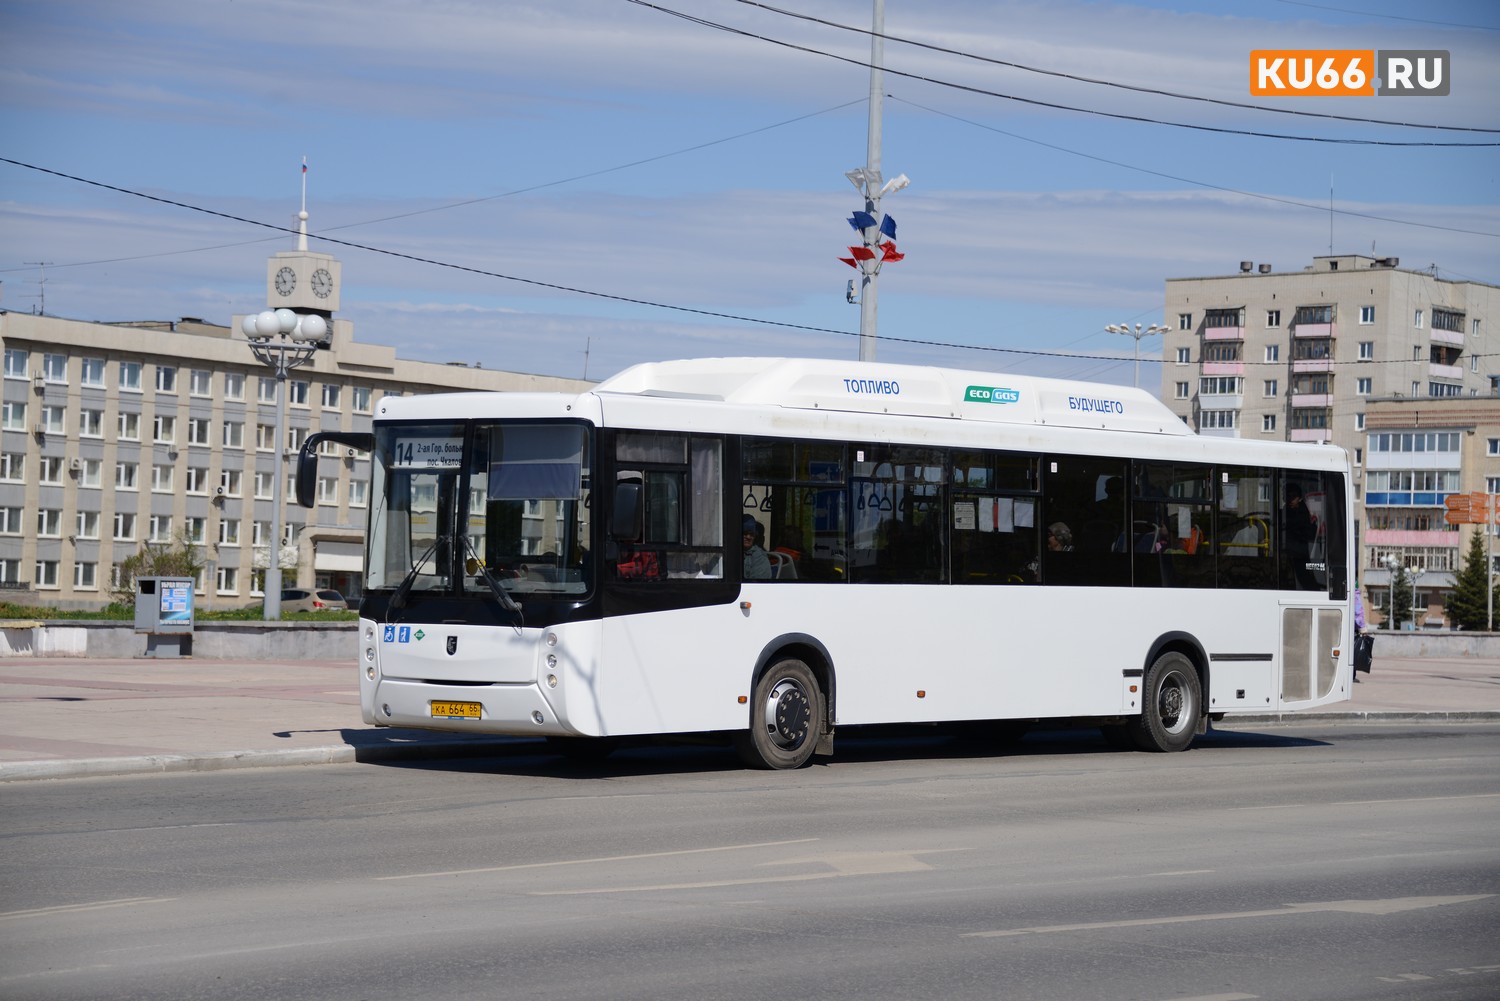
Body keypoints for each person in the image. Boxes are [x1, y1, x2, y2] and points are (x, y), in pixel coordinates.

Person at [1282, 482, 1318, 589]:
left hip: (1299, 552)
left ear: (1299, 498)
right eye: (1287, 497)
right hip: (1291, 551)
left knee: (1303, 579)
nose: (1290, 501)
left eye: (1293, 497)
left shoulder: (1303, 512)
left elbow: (1308, 532)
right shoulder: (1287, 509)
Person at [742, 515, 772, 579]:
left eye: (752, 534)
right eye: (744, 533)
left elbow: (758, 586)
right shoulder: (729, 553)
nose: (748, 537)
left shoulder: (760, 558)